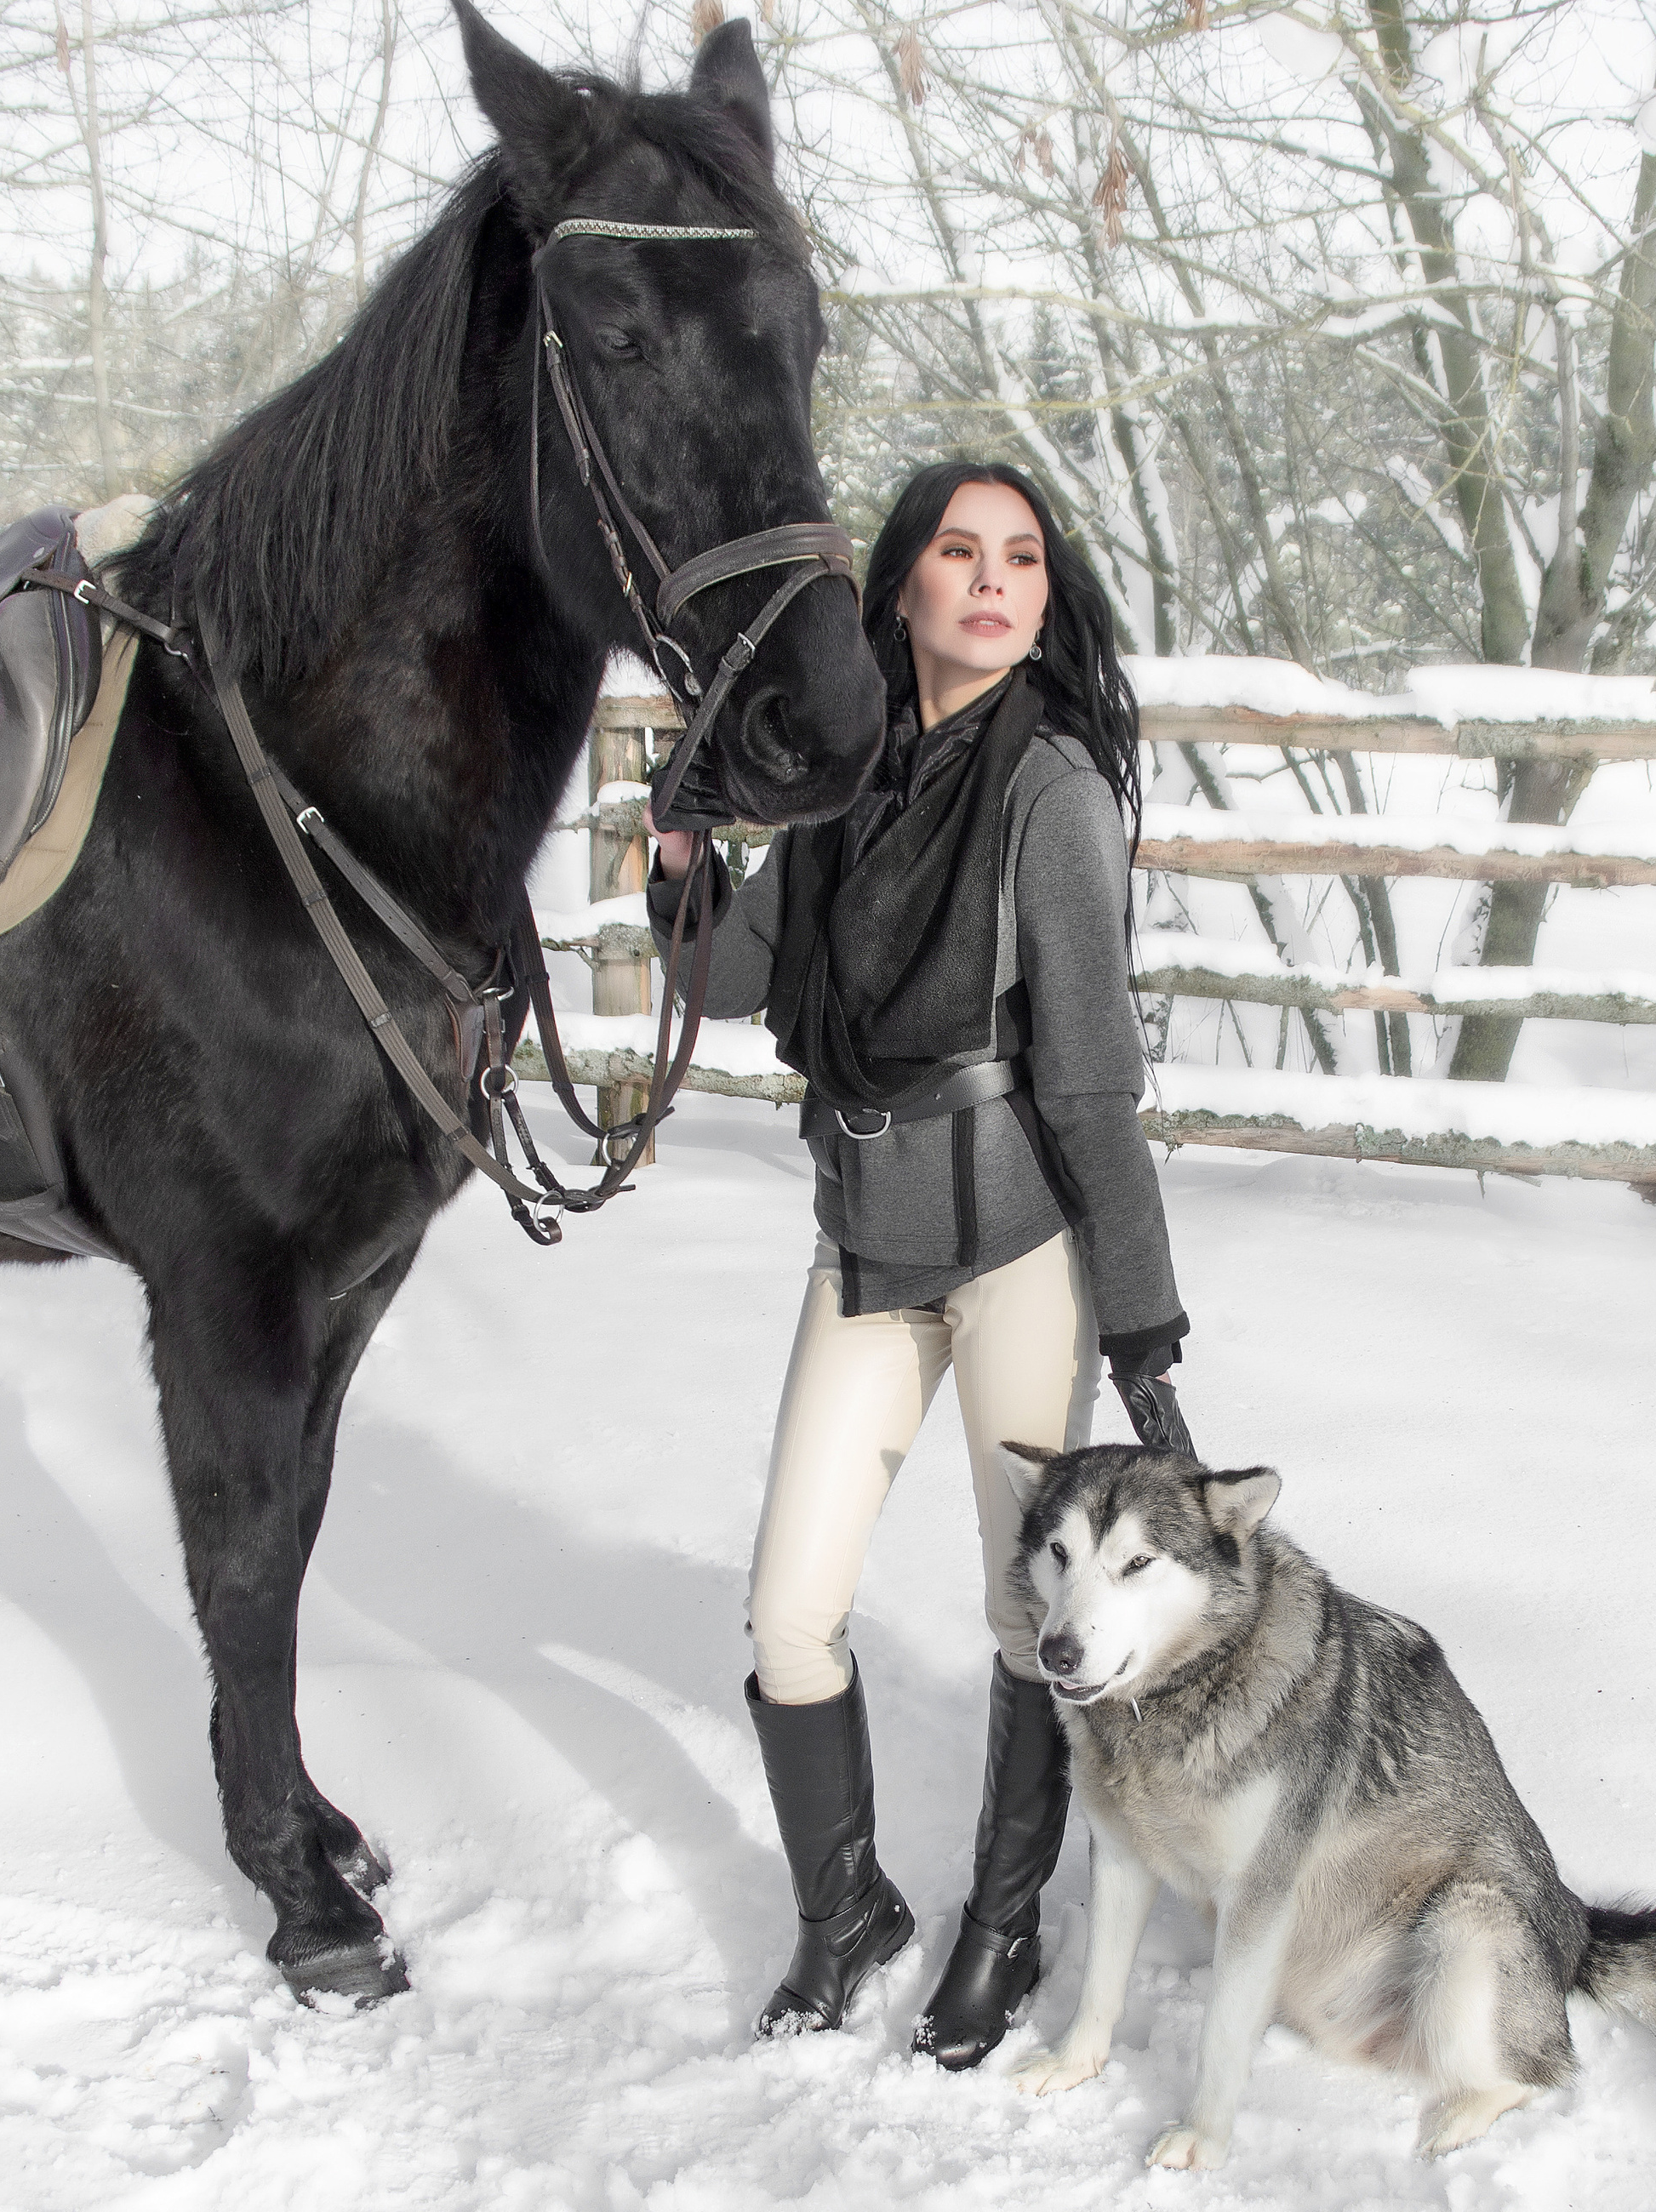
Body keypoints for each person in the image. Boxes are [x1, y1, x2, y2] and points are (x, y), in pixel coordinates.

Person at [647, 461, 1188, 2069]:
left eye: (1021, 556)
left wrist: (1143, 1322)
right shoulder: (845, 771)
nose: (994, 579)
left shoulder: (1052, 795)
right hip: (868, 1238)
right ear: (900, 587)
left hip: (1021, 1246)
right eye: (959, 551)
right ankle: (845, 1913)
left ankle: (1004, 1922)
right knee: (789, 1612)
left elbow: (1090, 1083)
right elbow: (742, 975)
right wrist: (691, 872)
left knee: (1030, 1620)